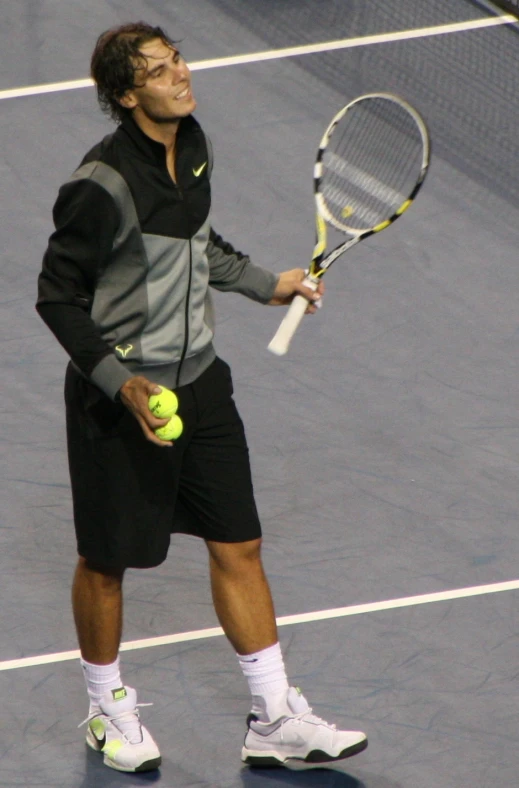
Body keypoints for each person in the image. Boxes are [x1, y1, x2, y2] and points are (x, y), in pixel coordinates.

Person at [36, 22, 367, 774]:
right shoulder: (100, 186)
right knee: (107, 560)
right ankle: (105, 708)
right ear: (127, 95)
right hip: (120, 394)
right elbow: (57, 298)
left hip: (202, 381)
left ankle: (273, 716)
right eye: (158, 71)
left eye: (177, 58)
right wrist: (123, 387)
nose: (180, 75)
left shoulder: (194, 144)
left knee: (239, 543)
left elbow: (199, 245)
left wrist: (266, 284)